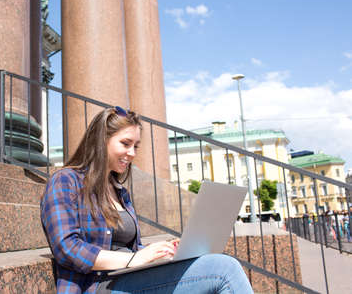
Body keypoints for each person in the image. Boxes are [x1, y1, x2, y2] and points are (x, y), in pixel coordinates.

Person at [41, 106, 254, 294]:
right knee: (223, 270)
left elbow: (129, 250)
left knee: (211, 265)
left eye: (136, 146)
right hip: (98, 285)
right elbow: (67, 248)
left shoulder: (119, 191)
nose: (132, 153)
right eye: (125, 143)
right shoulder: (65, 181)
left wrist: (160, 251)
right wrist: (134, 259)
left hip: (128, 278)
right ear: (101, 141)